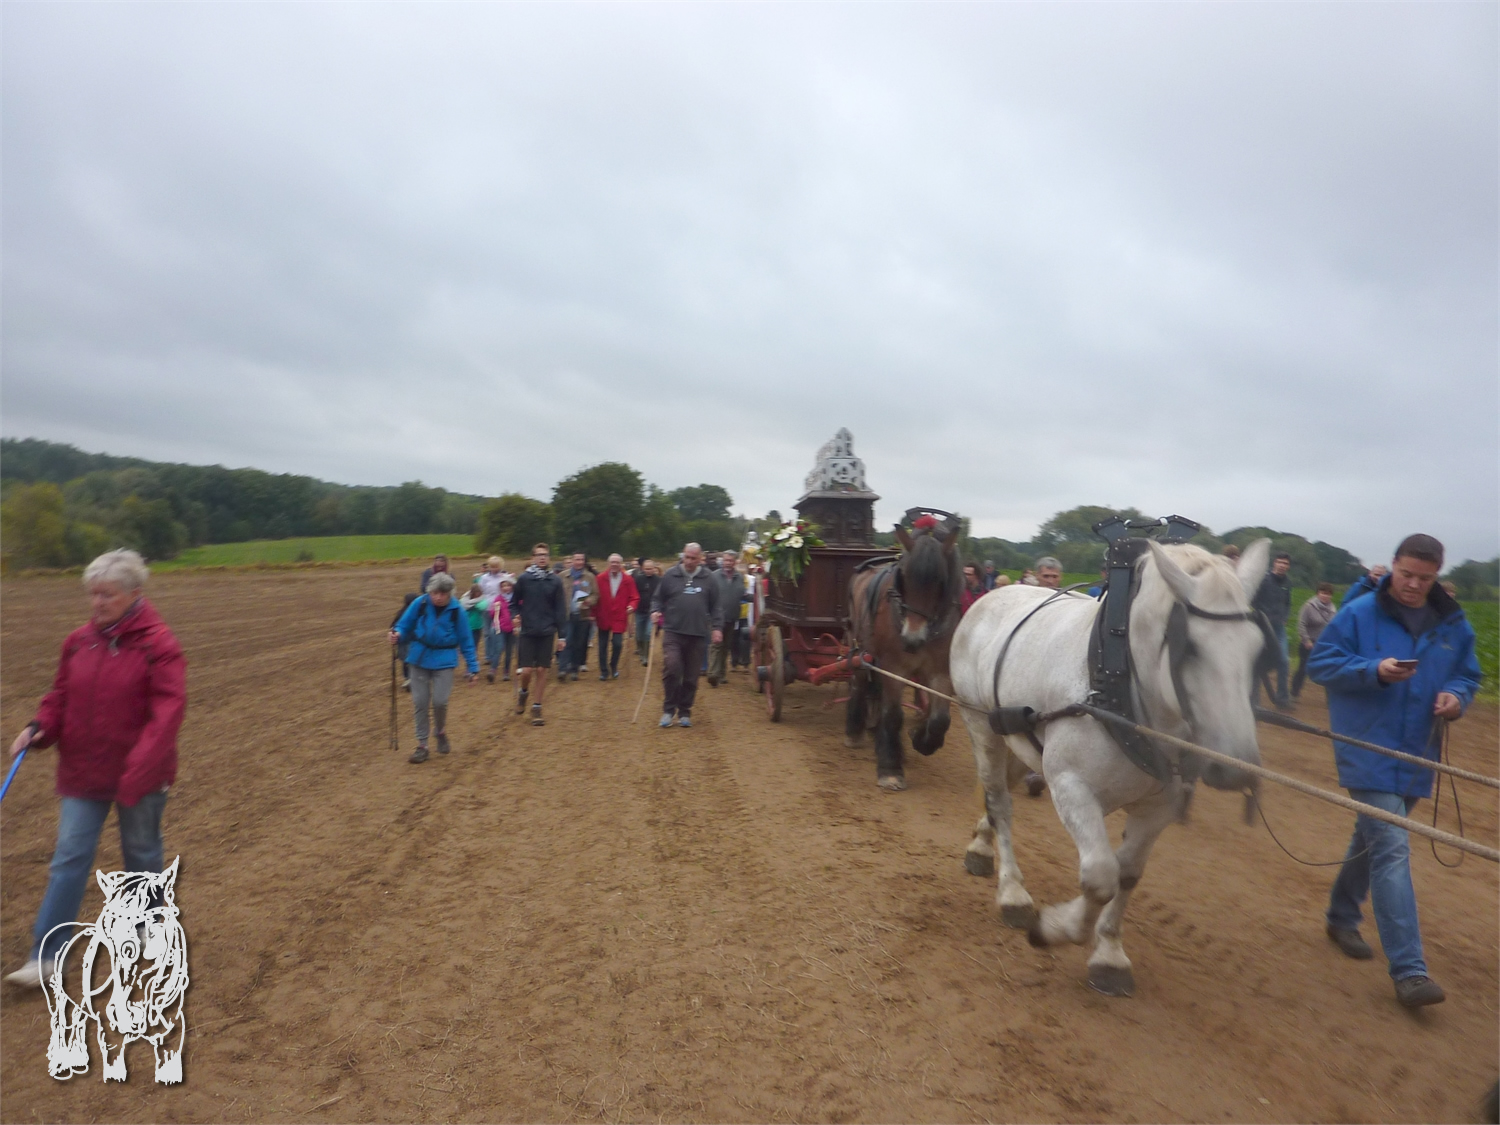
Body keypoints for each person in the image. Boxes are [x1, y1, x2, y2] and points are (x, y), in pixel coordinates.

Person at [1309, 534, 1481, 1009]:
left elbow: (1467, 673)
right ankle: (1410, 971)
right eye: (1406, 574)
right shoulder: (1359, 613)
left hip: (1418, 749)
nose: (1413, 585)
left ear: (1436, 577)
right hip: (1366, 746)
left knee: (1372, 839)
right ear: (1393, 567)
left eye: (1424, 579)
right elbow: (1321, 664)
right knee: (1391, 845)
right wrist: (1374, 670)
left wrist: (1457, 697)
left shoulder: (1453, 622)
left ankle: (1341, 916)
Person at [5, 549, 185, 988]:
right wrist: (38, 726)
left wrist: (140, 769)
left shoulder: (158, 645)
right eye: (93, 594)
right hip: (83, 774)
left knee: (141, 854)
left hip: (139, 776)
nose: (97, 603)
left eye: (108, 594)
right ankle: (46, 956)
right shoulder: (78, 642)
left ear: (134, 594)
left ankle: (148, 931)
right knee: (68, 858)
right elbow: (60, 697)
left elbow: (168, 713)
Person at [390, 573, 478, 763]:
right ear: (430, 591)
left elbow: (466, 640)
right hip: (419, 658)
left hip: (445, 660)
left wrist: (473, 668)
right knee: (420, 702)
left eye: (443, 593)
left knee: (440, 701)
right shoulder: (420, 603)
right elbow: (404, 624)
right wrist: (397, 634)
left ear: (450, 594)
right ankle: (422, 745)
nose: (438, 597)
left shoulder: (457, 610)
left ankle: (440, 731)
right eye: (435, 593)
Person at [652, 542, 723, 728]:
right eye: (687, 557)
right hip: (673, 631)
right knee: (672, 667)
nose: (689, 561)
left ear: (700, 559)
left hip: (698, 634)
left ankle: (684, 711)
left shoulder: (708, 578)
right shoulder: (670, 575)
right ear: (683, 555)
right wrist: (655, 610)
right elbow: (658, 598)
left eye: (694, 558)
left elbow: (716, 605)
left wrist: (717, 627)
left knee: (691, 676)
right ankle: (668, 710)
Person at [512, 543, 568, 726]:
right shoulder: (524, 579)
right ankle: (524, 692)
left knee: (543, 670)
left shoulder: (555, 581)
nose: (542, 557)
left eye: (545, 555)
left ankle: (537, 707)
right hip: (528, 630)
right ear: (533, 557)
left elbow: (560, 609)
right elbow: (513, 603)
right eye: (539, 555)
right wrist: (515, 616)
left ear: (549, 557)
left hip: (547, 630)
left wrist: (562, 636)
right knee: (526, 671)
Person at [1253, 552, 1294, 710]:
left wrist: (1285, 616)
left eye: (1285, 563)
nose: (1282, 565)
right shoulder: (1263, 580)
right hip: (1261, 625)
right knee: (1257, 661)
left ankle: (1282, 699)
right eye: (1279, 562)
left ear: (1288, 566)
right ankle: (1255, 699)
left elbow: (1288, 603)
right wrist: (1260, 614)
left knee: (1284, 661)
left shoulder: (1287, 583)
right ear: (1274, 563)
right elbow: (1253, 599)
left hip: (1278, 628)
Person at [593, 554, 639, 681]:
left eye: (617, 562)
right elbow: (594, 596)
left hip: (619, 616)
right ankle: (603, 671)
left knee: (618, 644)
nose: (614, 564)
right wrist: (592, 613)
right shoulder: (600, 578)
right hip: (603, 615)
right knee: (602, 645)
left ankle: (613, 665)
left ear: (621, 564)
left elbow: (634, 597)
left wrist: (632, 606)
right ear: (608, 564)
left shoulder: (627, 579)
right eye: (612, 562)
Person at [1292, 582, 1336, 699]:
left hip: (1324, 645)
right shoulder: (1309, 606)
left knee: (1328, 669)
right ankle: (1294, 693)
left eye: (1328, 594)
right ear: (1317, 593)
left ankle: (1330, 698)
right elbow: (1301, 624)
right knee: (1303, 669)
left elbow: (1333, 627)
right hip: (1309, 643)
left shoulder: (1332, 609)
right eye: (1322, 593)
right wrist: (1306, 641)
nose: (1325, 596)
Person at [559, 552, 598, 681]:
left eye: (581, 559)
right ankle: (563, 669)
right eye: (577, 559)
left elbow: (595, 594)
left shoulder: (590, 577)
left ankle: (574, 669)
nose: (579, 562)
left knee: (579, 643)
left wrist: (589, 602)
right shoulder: (563, 576)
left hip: (582, 615)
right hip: (567, 614)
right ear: (572, 560)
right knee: (566, 641)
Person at [707, 550, 744, 686]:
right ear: (722, 561)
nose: (728, 563)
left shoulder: (739, 577)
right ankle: (713, 674)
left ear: (735, 562)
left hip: (733, 616)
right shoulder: (713, 576)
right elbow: (708, 595)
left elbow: (741, 594)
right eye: (726, 560)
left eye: (731, 560)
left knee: (726, 646)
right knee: (716, 644)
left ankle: (722, 674)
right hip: (716, 617)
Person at [477, 557, 509, 682]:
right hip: (487, 607)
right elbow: (481, 591)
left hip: (500, 609)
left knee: (494, 631)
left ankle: (496, 655)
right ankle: (488, 656)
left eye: (497, 566)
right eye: (492, 566)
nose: (494, 569)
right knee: (486, 633)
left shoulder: (504, 576)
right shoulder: (484, 578)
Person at [631, 559, 660, 665]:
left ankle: (646, 656)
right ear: (643, 569)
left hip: (652, 612)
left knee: (648, 633)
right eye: (646, 569)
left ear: (654, 568)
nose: (648, 571)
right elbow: (634, 593)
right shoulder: (638, 579)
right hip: (639, 611)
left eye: (650, 569)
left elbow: (661, 596)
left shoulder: (658, 580)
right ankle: (641, 651)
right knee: (639, 634)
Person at [493, 577, 516, 681]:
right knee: (499, 648)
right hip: (501, 627)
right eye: (503, 586)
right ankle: (493, 669)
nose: (506, 588)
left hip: (513, 628)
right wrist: (495, 609)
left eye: (508, 585)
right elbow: (493, 614)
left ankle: (506, 671)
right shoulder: (498, 599)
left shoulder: (516, 599)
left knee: (509, 651)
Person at [460, 579, 487, 656]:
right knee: (468, 644)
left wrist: (476, 605)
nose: (478, 594)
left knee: (475, 645)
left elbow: (483, 607)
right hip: (468, 626)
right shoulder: (465, 601)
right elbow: (463, 606)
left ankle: (473, 657)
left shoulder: (481, 601)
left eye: (479, 592)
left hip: (477, 626)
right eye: (476, 592)